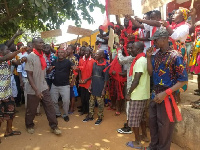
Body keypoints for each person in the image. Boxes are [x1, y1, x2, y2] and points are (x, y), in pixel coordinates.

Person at [144, 29, 188, 150]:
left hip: (167, 95)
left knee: (164, 126)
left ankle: (162, 148)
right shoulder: (157, 55)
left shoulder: (176, 56)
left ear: (164, 39)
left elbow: (183, 80)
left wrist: (165, 93)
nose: (154, 43)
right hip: (155, 94)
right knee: (153, 123)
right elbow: (150, 73)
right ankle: (153, 146)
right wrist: (148, 57)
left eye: (156, 40)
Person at [25, 37, 61, 135]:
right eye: (39, 43)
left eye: (42, 42)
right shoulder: (30, 57)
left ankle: (54, 126)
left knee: (50, 107)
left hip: (43, 86)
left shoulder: (43, 56)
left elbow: (41, 71)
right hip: (33, 89)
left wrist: (48, 71)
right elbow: (29, 75)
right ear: (34, 45)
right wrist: (36, 90)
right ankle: (29, 125)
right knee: (31, 110)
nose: (42, 44)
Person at [125, 42, 150, 149]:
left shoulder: (139, 62)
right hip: (144, 94)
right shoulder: (144, 60)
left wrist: (129, 93)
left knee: (133, 120)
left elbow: (136, 80)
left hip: (137, 95)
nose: (131, 50)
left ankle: (137, 142)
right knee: (142, 118)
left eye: (133, 48)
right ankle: (144, 136)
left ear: (139, 49)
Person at [0, 44, 24, 143]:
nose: (9, 50)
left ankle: (9, 131)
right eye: (7, 49)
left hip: (8, 93)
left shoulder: (8, 60)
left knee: (11, 113)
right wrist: (19, 51)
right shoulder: (2, 59)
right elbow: (7, 57)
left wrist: (22, 60)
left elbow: (16, 62)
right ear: (1, 52)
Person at [82, 50, 109, 125]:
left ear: (102, 56)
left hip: (100, 86)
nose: (95, 55)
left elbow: (106, 79)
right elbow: (93, 75)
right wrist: (90, 85)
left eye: (97, 54)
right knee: (91, 102)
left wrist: (104, 90)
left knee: (100, 103)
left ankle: (100, 117)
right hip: (94, 85)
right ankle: (90, 116)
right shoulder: (94, 63)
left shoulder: (105, 65)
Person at [49, 48, 76, 122]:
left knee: (66, 101)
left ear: (64, 54)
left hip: (65, 85)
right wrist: (49, 69)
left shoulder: (68, 62)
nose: (60, 54)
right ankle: (57, 113)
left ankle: (65, 115)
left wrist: (74, 68)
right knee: (53, 101)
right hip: (55, 85)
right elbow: (48, 71)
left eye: (62, 52)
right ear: (57, 54)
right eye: (59, 52)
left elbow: (74, 68)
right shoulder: (54, 62)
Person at [17, 42, 40, 114]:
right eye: (29, 46)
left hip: (36, 79)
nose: (30, 48)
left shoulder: (38, 56)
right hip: (26, 79)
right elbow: (19, 70)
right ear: (27, 48)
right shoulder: (23, 57)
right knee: (27, 96)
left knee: (37, 94)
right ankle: (29, 111)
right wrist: (21, 81)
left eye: (32, 46)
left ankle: (37, 111)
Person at [79, 47, 95, 115]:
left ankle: (89, 111)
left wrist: (87, 79)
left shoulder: (93, 61)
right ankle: (83, 110)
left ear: (90, 52)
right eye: (85, 51)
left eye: (87, 52)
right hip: (82, 82)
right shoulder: (81, 60)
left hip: (89, 83)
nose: (86, 53)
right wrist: (80, 79)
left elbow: (94, 74)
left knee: (88, 98)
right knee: (82, 98)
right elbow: (79, 70)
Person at [66, 45, 79, 114]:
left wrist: (73, 80)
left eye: (68, 49)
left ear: (72, 51)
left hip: (72, 79)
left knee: (72, 95)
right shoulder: (67, 58)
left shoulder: (75, 59)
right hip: (66, 79)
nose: (67, 50)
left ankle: (72, 108)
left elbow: (76, 71)